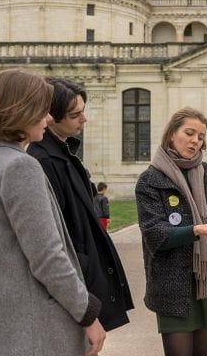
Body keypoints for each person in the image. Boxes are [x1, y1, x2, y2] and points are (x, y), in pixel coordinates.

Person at [0, 69, 103, 356]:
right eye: (41, 109)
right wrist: (87, 313)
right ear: (19, 111)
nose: (48, 118)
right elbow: (48, 257)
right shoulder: (20, 167)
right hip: (25, 330)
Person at [135, 107, 207, 356]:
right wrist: (195, 230)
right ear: (172, 134)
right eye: (189, 133)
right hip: (174, 285)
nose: (195, 141)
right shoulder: (150, 180)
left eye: (201, 136)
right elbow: (154, 233)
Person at [28, 77, 134, 333]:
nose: (83, 120)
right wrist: (83, 304)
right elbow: (53, 242)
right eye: (75, 115)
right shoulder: (45, 162)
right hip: (74, 287)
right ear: (50, 118)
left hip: (81, 281)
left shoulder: (62, 155)